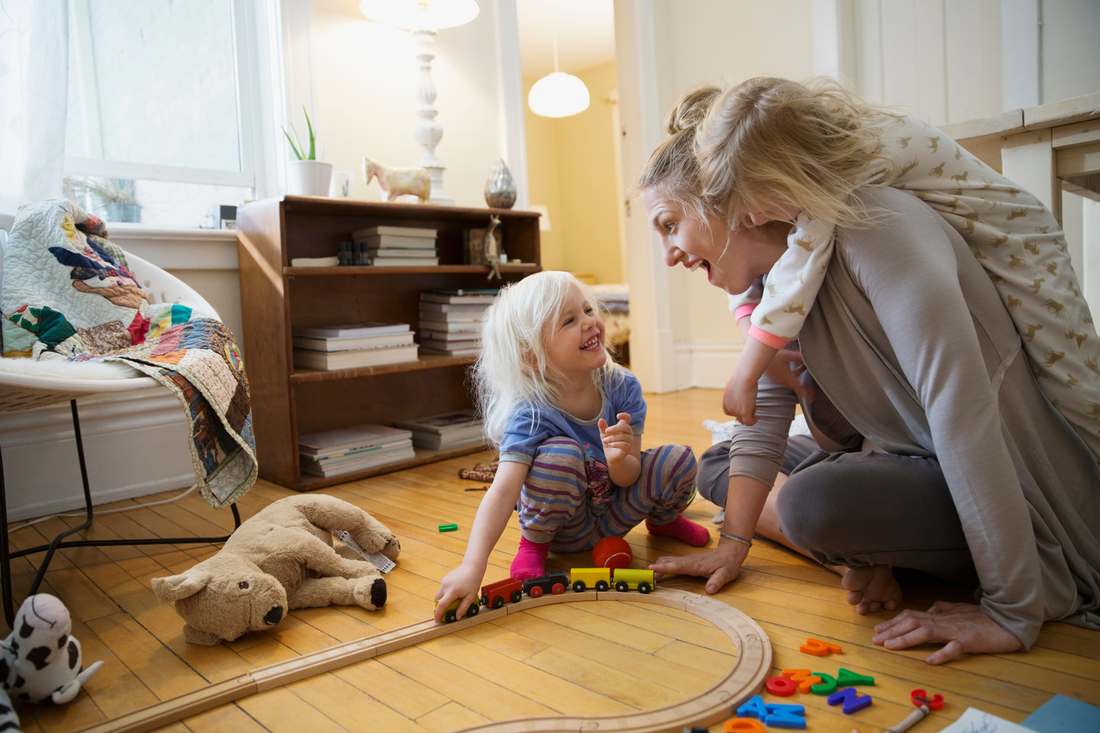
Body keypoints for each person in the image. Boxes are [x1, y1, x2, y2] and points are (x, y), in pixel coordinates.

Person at [637, 83, 1100, 664]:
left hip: (1002, 479)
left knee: (813, 503)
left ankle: (884, 545)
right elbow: (762, 411)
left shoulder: (876, 226)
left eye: (668, 225)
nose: (668, 255)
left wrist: (1012, 606)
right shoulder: (777, 286)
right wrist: (733, 544)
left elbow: (963, 412)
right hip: (909, 457)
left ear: (729, 199)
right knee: (721, 461)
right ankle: (877, 548)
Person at [703, 78, 1100, 466]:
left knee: (1072, 382)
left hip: (1022, 241)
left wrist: (746, 371)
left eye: (759, 203)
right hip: (1000, 238)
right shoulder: (835, 147)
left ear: (791, 170)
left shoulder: (845, 171)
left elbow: (796, 275)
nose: (755, 219)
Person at [433, 271, 707, 623]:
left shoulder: (622, 386)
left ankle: (663, 520)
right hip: (564, 527)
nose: (590, 323)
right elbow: (502, 493)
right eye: (570, 320)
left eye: (589, 310)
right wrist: (472, 567)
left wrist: (620, 459)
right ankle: (534, 544)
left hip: (614, 513)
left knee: (680, 459)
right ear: (532, 357)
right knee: (561, 454)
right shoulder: (529, 414)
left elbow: (628, 478)